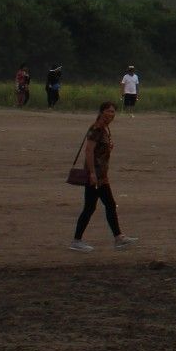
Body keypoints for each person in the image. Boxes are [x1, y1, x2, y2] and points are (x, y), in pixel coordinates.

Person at [67, 101, 136, 251]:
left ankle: (118, 237)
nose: (111, 114)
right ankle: (78, 241)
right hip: (96, 176)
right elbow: (88, 151)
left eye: (113, 112)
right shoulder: (97, 128)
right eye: (109, 111)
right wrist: (91, 173)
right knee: (97, 206)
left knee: (96, 206)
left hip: (101, 175)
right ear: (101, 112)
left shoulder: (105, 129)